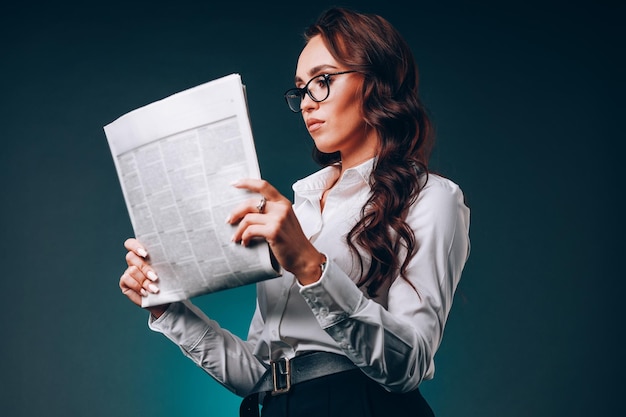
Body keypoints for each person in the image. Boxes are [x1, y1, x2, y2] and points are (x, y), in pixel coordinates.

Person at [119, 6, 470, 417]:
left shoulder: (430, 197)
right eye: (301, 89)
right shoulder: (298, 210)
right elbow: (256, 375)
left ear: (377, 83)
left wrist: (309, 264)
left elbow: (406, 366)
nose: (307, 103)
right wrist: (167, 309)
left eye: (322, 81)